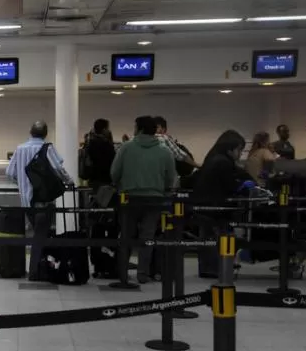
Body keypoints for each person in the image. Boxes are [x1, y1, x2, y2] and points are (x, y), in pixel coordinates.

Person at [110, 116, 176, 284]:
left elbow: (114, 173)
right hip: (154, 199)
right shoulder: (164, 150)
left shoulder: (126, 148)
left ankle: (123, 273)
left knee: (126, 236)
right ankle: (143, 274)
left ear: (138, 128)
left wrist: (120, 183)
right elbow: (171, 178)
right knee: (148, 237)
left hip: (129, 198)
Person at [6, 121, 73, 280]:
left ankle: (41, 267)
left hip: (26, 203)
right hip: (43, 200)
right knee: (40, 235)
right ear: (45, 134)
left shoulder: (20, 149)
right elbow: (58, 169)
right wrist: (69, 181)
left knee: (37, 233)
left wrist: (22, 184)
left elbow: (9, 172)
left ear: (30, 132)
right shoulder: (47, 148)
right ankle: (35, 272)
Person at [192, 130, 252, 278]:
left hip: (205, 205)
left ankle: (209, 268)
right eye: (239, 150)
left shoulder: (213, 158)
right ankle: (217, 269)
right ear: (230, 148)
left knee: (208, 238)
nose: (240, 154)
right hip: (215, 207)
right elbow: (229, 185)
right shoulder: (222, 162)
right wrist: (243, 186)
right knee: (217, 237)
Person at [84, 118, 116, 191]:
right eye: (108, 128)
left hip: (92, 179)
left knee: (94, 200)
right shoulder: (106, 144)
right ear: (104, 129)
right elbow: (112, 161)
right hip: (105, 180)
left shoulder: (90, 142)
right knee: (105, 201)